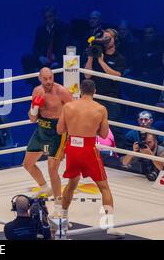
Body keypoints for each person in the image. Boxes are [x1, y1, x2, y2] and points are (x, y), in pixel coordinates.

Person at [56, 79, 121, 237]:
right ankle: (110, 225)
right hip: (88, 149)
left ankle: (62, 223)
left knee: (71, 184)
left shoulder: (68, 106)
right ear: (94, 91)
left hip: (72, 147)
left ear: (80, 91)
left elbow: (59, 130)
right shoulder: (100, 109)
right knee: (104, 187)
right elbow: (105, 134)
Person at [24, 68, 73, 212]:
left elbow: (74, 111)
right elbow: (32, 119)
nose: (49, 81)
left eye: (50, 78)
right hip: (41, 129)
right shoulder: (37, 91)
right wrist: (34, 108)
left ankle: (59, 206)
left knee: (52, 170)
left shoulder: (62, 92)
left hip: (58, 132)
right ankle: (45, 187)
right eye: (45, 79)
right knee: (27, 164)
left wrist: (70, 137)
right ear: (39, 78)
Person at [84, 28, 127, 148]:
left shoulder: (120, 58)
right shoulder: (97, 52)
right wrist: (91, 57)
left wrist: (101, 61)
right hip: (94, 96)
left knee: (113, 128)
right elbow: (87, 75)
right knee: (90, 126)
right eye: (104, 38)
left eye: (108, 38)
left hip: (111, 98)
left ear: (115, 40)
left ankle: (119, 156)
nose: (105, 40)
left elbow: (116, 76)